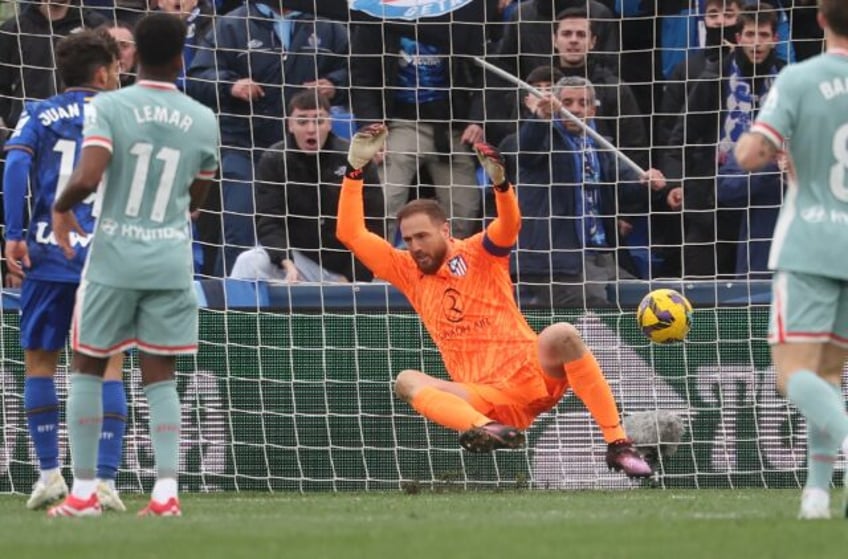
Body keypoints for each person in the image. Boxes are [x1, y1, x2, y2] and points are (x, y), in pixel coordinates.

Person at [336, 124, 653, 478]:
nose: (415, 246)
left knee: (562, 332)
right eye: (408, 239)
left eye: (422, 236)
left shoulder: (479, 252)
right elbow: (350, 234)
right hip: (484, 397)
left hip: (533, 372)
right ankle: (486, 429)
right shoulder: (406, 269)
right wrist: (354, 170)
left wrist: (501, 186)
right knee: (406, 381)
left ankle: (618, 444)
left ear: (445, 230)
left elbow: (509, 224)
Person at [47, 13, 219, 517]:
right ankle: (165, 494)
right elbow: (198, 196)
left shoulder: (112, 106)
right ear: (181, 57)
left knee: (87, 366)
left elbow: (90, 173)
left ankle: (83, 494)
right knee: (160, 373)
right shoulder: (203, 117)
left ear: (131, 55)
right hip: (170, 258)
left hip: (116, 257)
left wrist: (61, 207)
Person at [2, 29, 128, 513]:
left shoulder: (38, 113)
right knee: (109, 364)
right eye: (117, 69)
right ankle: (104, 481)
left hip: (47, 254)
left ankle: (51, 474)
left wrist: (13, 231)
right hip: (107, 256)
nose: (120, 77)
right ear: (102, 72)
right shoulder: (123, 116)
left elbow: (15, 165)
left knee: (40, 361)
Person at [734, 0, 848, 520]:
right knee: (828, 375)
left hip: (811, 244)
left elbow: (753, 154)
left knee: (792, 374)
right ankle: (817, 496)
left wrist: (760, 145)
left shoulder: (799, 78)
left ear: (820, 20)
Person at [186, 0, 349, 275]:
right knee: (240, 226)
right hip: (243, 145)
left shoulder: (328, 24)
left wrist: (335, 84)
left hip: (306, 155)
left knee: (314, 230)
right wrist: (230, 85)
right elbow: (199, 76)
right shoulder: (230, 25)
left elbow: (359, 71)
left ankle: (308, 298)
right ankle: (232, 306)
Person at [514, 76, 670, 304]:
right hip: (559, 261)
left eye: (582, 103)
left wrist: (647, 183)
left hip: (600, 254)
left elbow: (623, 183)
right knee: (594, 320)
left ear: (593, 110)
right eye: (567, 103)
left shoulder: (599, 145)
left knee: (642, 301)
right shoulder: (543, 139)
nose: (575, 110)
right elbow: (526, 152)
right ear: (555, 106)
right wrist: (540, 117)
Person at [662, 5, 784, 278]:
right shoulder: (714, 76)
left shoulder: (788, 80)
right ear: (738, 38)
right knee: (703, 287)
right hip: (712, 201)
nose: (756, 43)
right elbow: (681, 137)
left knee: (756, 291)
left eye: (763, 35)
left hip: (767, 202)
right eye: (750, 34)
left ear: (775, 38)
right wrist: (676, 181)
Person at [231, 90, 385, 282]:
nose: (311, 129)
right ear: (290, 125)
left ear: (329, 123)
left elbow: (374, 226)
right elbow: (269, 220)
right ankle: (233, 313)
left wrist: (351, 276)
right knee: (248, 262)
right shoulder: (274, 160)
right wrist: (286, 262)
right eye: (302, 122)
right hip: (299, 263)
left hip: (349, 266)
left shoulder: (355, 160)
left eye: (319, 121)